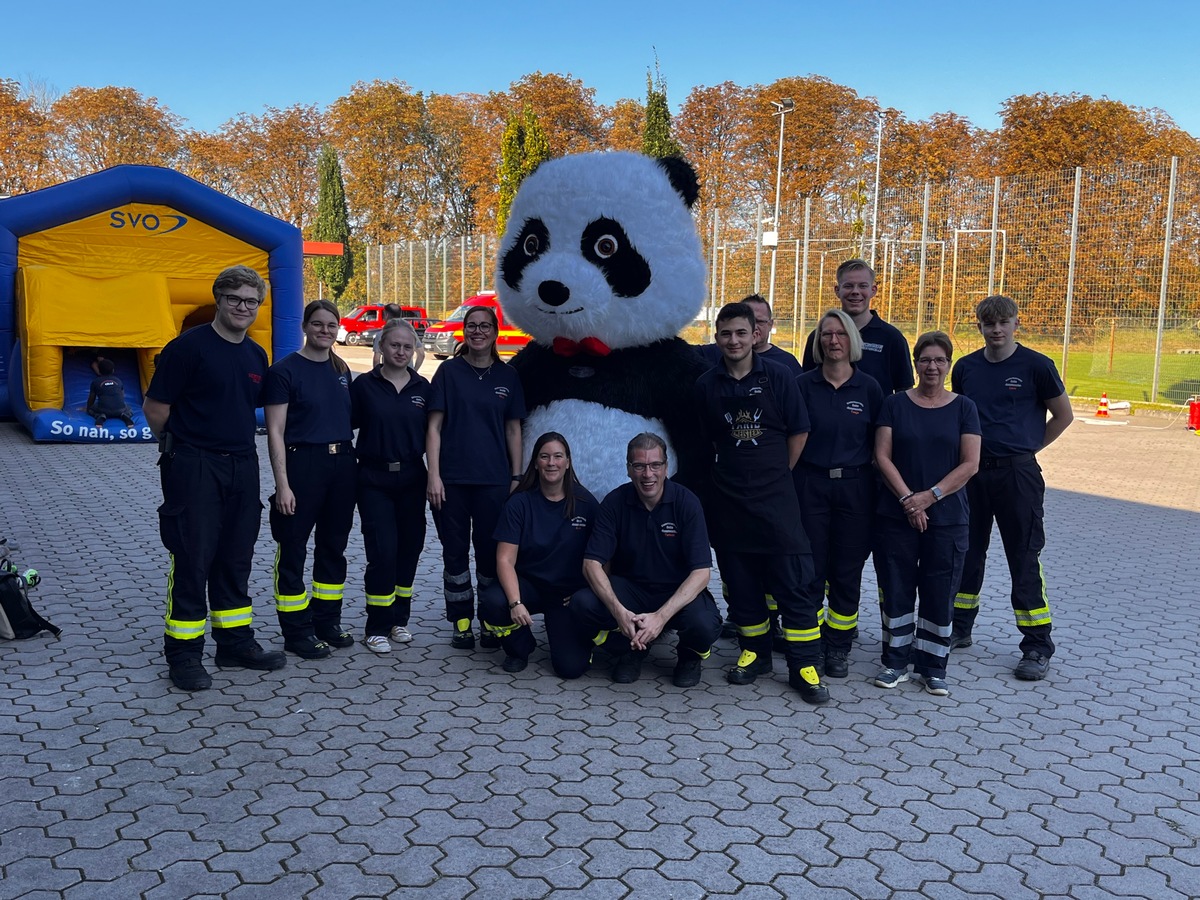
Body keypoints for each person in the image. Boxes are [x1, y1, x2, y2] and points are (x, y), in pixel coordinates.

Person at [143, 265, 285, 692]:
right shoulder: (187, 349)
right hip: (195, 465)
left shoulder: (255, 354)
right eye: (234, 299)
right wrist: (180, 451)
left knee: (236, 555)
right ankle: (184, 655)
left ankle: (235, 643)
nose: (243, 307)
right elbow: (156, 409)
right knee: (192, 556)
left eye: (251, 302)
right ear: (218, 300)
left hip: (243, 464)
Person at [695, 301, 828, 704]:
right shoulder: (707, 385)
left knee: (794, 582)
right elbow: (705, 441)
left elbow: (799, 432)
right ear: (716, 338)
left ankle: (804, 664)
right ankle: (755, 654)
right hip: (729, 500)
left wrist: (776, 474)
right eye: (725, 334)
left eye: (740, 332)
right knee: (740, 581)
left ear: (755, 334)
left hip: (776, 500)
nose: (733, 341)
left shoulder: (780, 377)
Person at [950, 295, 1074, 680]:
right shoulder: (966, 368)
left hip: (1018, 476)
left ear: (1016, 324)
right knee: (966, 552)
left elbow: (1063, 415)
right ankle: (959, 628)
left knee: (1023, 557)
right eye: (989, 324)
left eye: (1004, 322)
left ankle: (1036, 646)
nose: (997, 330)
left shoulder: (1037, 366)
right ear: (980, 327)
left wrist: (1026, 448)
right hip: (972, 474)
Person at [873, 331, 981, 696]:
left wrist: (929, 497)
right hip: (896, 514)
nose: (931, 366)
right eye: (925, 359)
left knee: (939, 591)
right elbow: (882, 457)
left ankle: (933, 666)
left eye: (939, 360)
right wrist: (908, 500)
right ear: (915, 363)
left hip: (948, 516)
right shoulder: (894, 405)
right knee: (896, 587)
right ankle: (894, 662)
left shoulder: (964, 407)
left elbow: (970, 464)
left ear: (949, 365)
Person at [570, 432, 721, 688]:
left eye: (654, 465)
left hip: (677, 592)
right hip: (632, 591)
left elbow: (701, 573)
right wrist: (619, 613)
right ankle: (630, 648)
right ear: (628, 469)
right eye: (639, 466)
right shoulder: (615, 503)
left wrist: (660, 617)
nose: (647, 474)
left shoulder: (686, 503)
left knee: (705, 624)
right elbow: (591, 564)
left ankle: (689, 656)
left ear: (666, 467)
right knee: (582, 603)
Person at [427, 304, 526, 649]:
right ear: (464, 331)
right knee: (454, 554)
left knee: (489, 555)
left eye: (485, 326)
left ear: (495, 332)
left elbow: (514, 430)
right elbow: (434, 428)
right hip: (451, 481)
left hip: (495, 481)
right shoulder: (448, 373)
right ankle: (461, 621)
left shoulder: (508, 376)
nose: (478, 332)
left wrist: (516, 477)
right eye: (472, 326)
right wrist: (434, 476)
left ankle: (489, 618)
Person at [263, 299, 356, 660]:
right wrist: (282, 485)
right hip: (302, 466)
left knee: (333, 548)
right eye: (318, 324)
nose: (325, 331)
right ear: (304, 327)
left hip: (342, 465)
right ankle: (296, 631)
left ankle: (326, 622)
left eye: (331, 326)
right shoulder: (284, 372)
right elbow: (275, 432)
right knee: (293, 549)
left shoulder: (341, 369)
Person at [794, 309, 885, 680]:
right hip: (810, 486)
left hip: (855, 488)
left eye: (841, 334)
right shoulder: (802, 386)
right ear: (818, 342)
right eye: (826, 334)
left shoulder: (870, 389)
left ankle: (838, 646)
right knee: (811, 569)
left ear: (852, 341)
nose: (833, 341)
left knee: (847, 571)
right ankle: (810, 644)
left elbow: (881, 447)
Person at [478, 431, 599, 676]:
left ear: (567, 462)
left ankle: (577, 641)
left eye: (557, 456)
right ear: (535, 462)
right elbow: (504, 559)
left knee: (570, 669)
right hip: (528, 587)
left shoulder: (586, 503)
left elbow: (602, 556)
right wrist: (515, 603)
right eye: (544, 457)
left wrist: (585, 592)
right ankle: (520, 647)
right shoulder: (519, 503)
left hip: (567, 594)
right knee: (492, 603)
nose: (551, 463)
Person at [351, 319, 431, 653]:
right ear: (381, 347)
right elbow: (344, 425)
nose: (401, 351)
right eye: (394, 345)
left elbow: (436, 436)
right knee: (383, 551)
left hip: (413, 477)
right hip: (373, 479)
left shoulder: (424, 389)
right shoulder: (363, 386)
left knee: (409, 549)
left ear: (415, 351)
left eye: (407, 346)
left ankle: (400, 620)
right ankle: (376, 626)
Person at [802, 259, 914, 395]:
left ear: (873, 290)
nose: (855, 292)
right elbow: (806, 385)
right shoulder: (820, 337)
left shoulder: (892, 338)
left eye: (862, 286)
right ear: (837, 290)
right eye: (848, 286)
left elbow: (904, 392)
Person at [697, 294, 802, 375]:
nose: (754, 326)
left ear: (770, 324)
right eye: (747, 321)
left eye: (759, 321)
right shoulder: (714, 353)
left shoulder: (787, 364)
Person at [373, 303, 425, 370]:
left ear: (386, 314)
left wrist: (377, 376)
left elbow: (376, 360)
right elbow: (421, 354)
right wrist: (414, 371)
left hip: (388, 376)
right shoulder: (410, 333)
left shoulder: (382, 334)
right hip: (407, 376)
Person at [86, 358, 135, 427]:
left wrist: (88, 408)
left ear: (99, 370)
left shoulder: (95, 382)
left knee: (92, 409)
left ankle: (100, 416)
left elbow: (92, 398)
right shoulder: (118, 380)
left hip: (103, 409)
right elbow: (122, 395)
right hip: (120, 409)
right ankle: (124, 414)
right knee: (129, 408)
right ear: (113, 370)